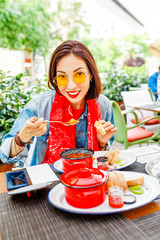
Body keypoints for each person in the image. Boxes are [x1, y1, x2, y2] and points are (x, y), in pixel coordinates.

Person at [0, 40, 117, 167]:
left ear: (91, 75)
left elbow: (106, 156)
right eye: (62, 77)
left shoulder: (103, 105)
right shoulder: (38, 106)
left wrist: (102, 143)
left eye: (79, 74)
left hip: (91, 180)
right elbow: (4, 155)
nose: (71, 86)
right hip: (47, 183)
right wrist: (23, 136)